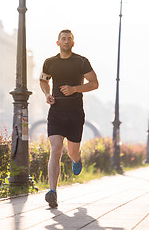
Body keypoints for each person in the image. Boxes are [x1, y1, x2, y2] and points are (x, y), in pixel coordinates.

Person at [39, 29, 99, 208]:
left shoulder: (81, 62)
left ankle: (77, 159)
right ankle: (52, 192)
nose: (66, 41)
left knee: (72, 151)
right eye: (63, 39)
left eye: (69, 39)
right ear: (58, 42)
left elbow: (94, 83)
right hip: (56, 112)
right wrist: (47, 94)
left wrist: (74, 89)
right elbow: (43, 81)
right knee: (55, 149)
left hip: (75, 113)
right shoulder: (49, 62)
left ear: (73, 43)